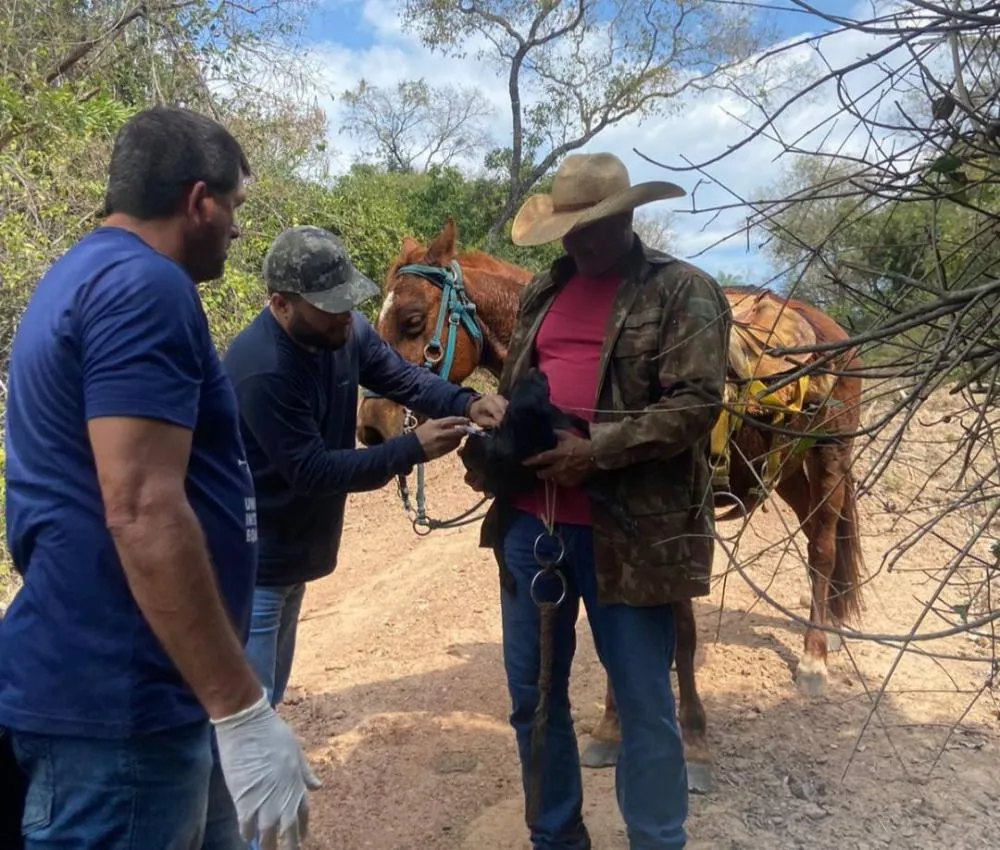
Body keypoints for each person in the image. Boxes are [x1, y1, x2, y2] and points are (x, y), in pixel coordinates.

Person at [0, 106, 317, 850]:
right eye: (235, 207)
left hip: (144, 693)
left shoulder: (79, 275)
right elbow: (141, 505)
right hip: (121, 705)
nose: (239, 230)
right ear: (197, 200)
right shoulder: (146, 287)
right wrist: (243, 710)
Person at [465, 152, 732, 849]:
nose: (580, 242)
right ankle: (555, 838)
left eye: (595, 227)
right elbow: (531, 381)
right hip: (532, 524)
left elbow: (697, 404)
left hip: (630, 535)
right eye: (569, 230)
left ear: (626, 217)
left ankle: (657, 838)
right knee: (534, 700)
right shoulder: (542, 294)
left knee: (645, 704)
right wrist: (502, 414)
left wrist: (596, 451)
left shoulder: (683, 292)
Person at [222, 225, 507, 711]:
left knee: (265, 705)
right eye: (328, 305)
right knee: (245, 718)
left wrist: (467, 401)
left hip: (294, 556)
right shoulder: (262, 368)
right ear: (282, 304)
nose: (343, 316)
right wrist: (411, 449)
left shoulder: (343, 333)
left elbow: (404, 378)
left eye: (346, 301)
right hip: (253, 565)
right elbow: (312, 472)